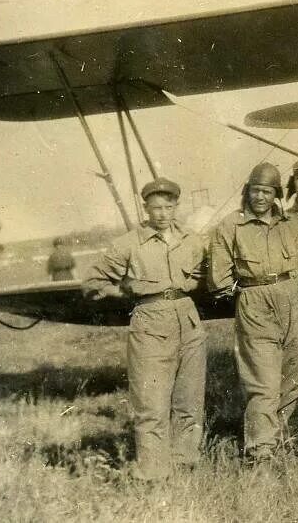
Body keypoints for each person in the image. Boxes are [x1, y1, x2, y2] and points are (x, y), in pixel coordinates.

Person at [83, 177, 207, 481]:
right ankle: (152, 475)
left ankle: (184, 466)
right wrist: (123, 291)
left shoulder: (191, 240)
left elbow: (204, 274)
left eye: (168, 206)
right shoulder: (128, 244)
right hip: (150, 322)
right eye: (156, 207)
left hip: (188, 322)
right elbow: (92, 283)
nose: (163, 213)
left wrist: (192, 283)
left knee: (189, 401)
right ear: (146, 208)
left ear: (177, 206)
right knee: (151, 402)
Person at [209, 163, 298, 461]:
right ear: (246, 192)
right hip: (254, 301)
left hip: (292, 298)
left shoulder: (290, 223)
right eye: (255, 190)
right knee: (262, 379)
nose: (260, 197)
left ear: (276, 194)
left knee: (295, 373)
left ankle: (281, 437)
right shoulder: (230, 226)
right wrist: (249, 295)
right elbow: (219, 279)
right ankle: (260, 450)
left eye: (267, 191)